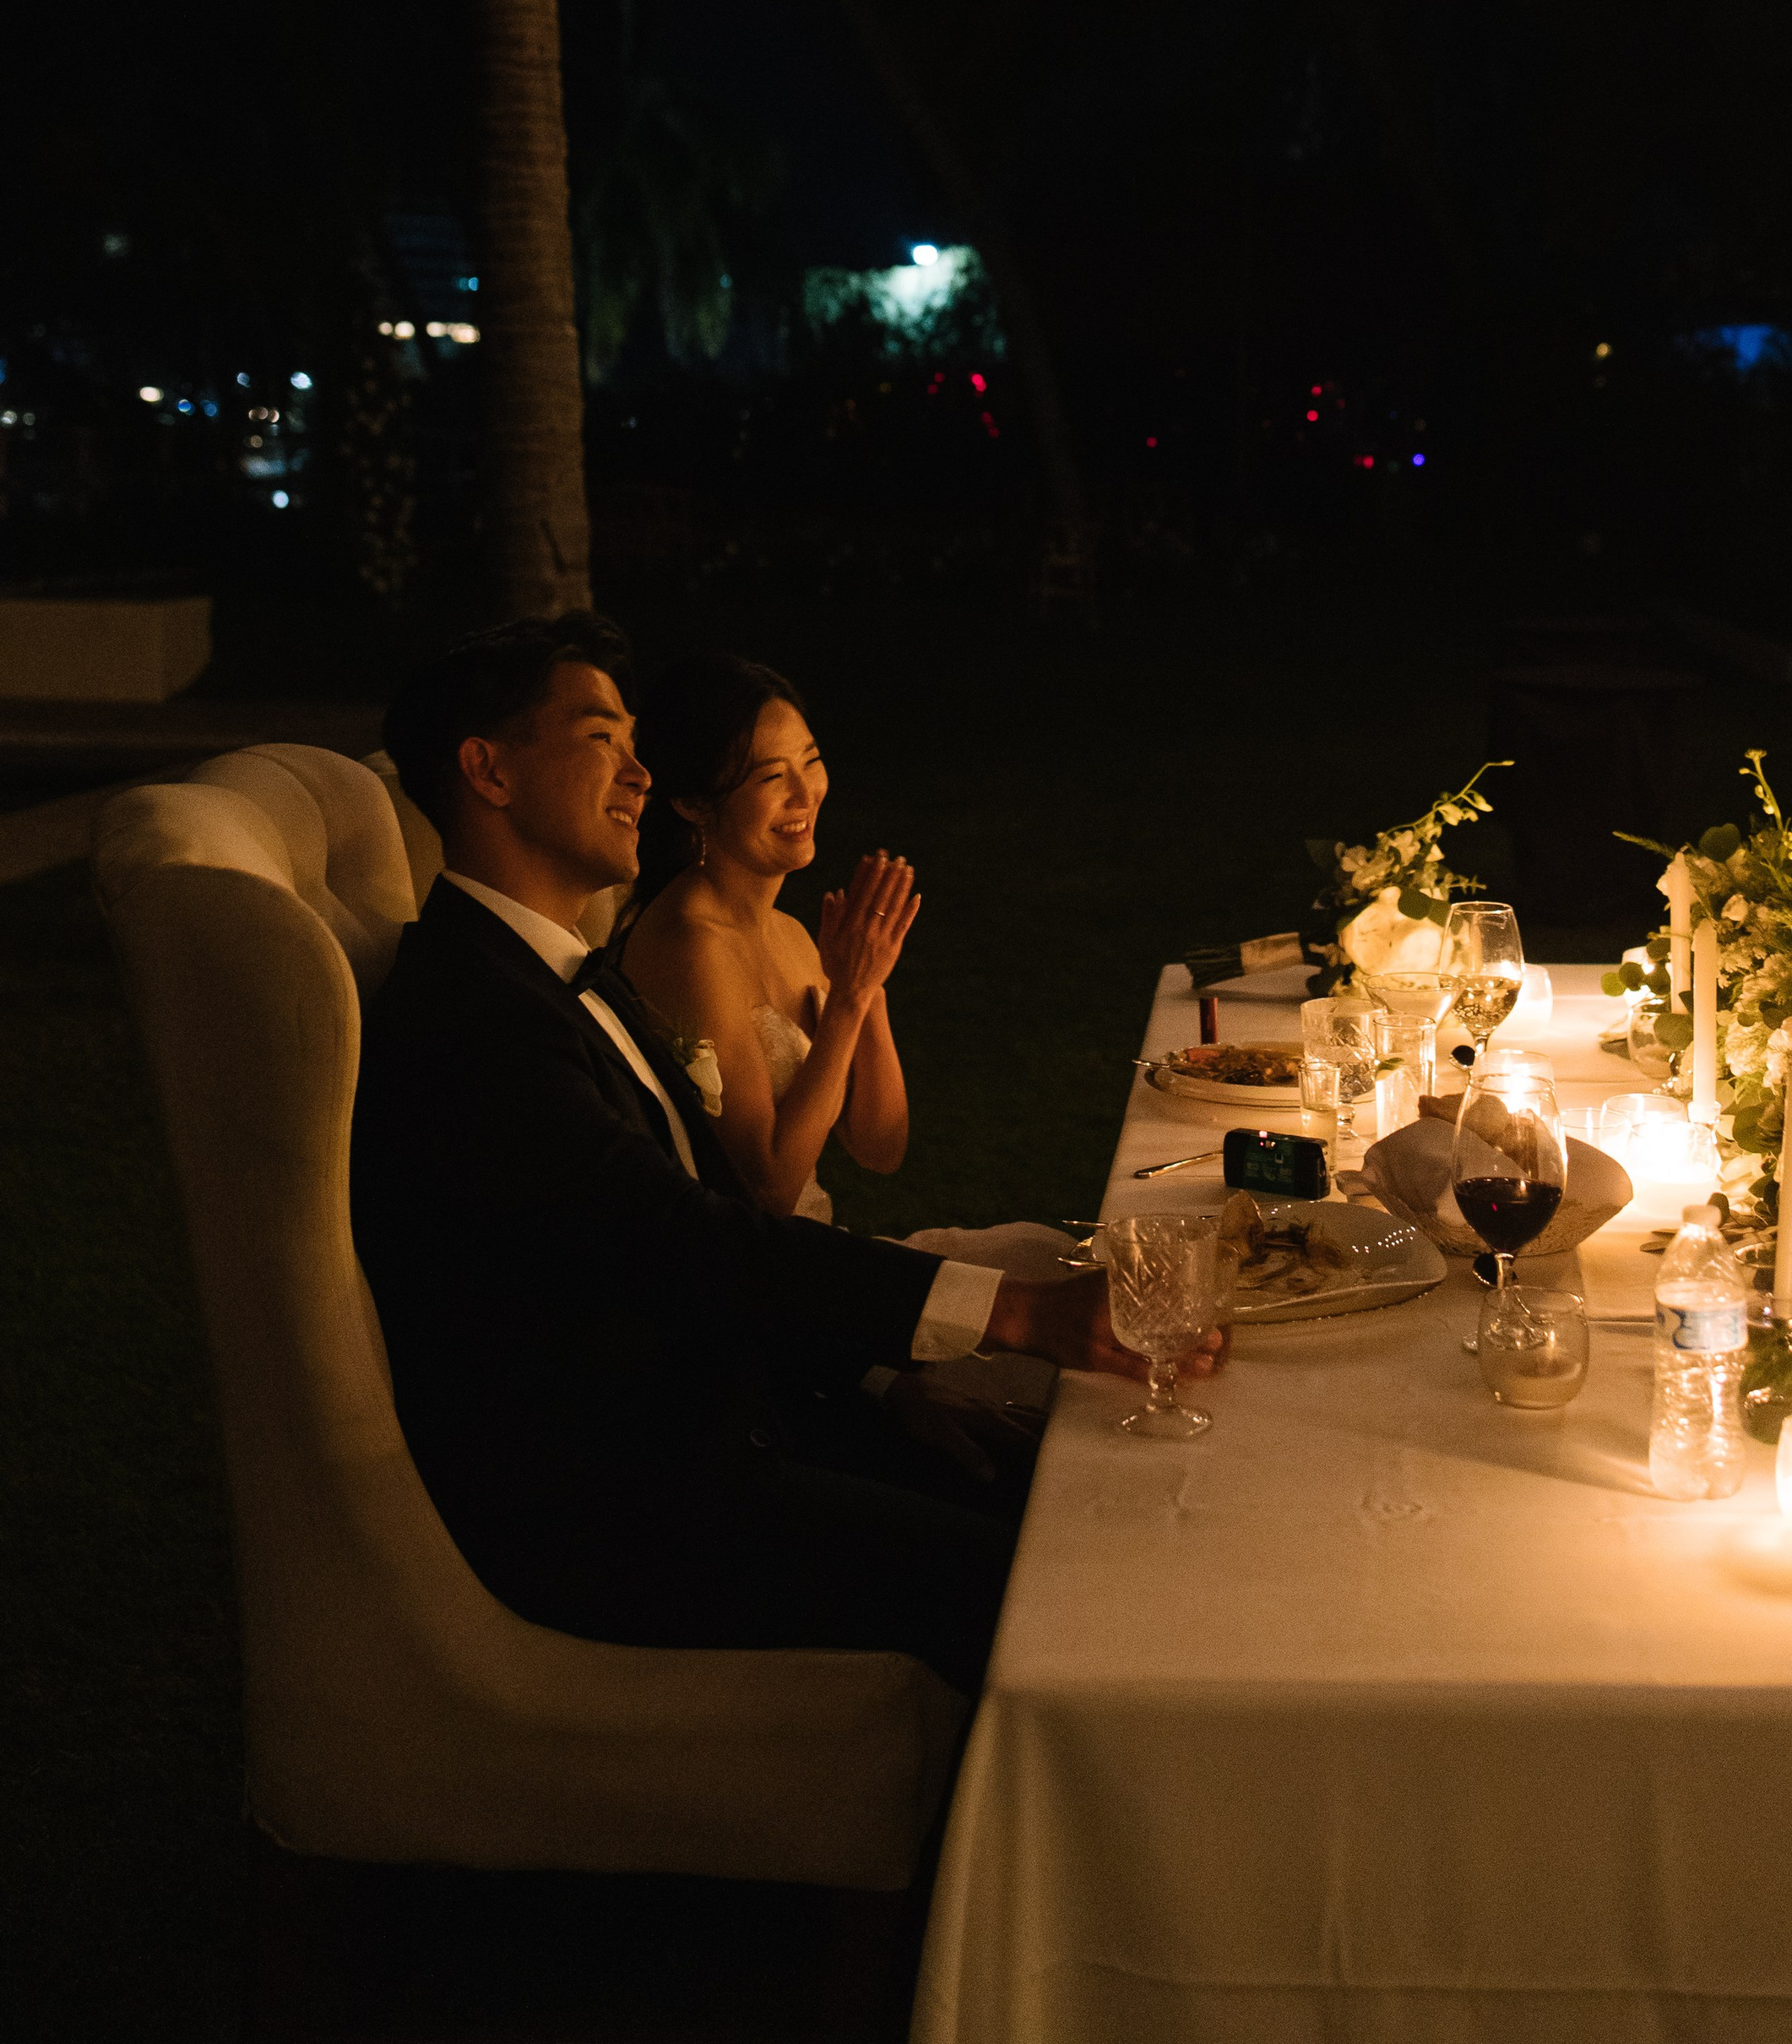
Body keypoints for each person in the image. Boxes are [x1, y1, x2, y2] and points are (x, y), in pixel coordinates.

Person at [350, 616, 1218, 1694]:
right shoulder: (471, 1014)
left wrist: (874, 1376)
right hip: (626, 1502)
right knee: (1049, 1581)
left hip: (746, 1405)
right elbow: (679, 1234)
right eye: (600, 739)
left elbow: (721, 1222)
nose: (639, 770)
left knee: (1077, 1498)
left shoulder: (554, 973)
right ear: (487, 769)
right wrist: (1020, 1316)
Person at [613, 657, 907, 1224]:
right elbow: (766, 1192)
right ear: (693, 803)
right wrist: (845, 999)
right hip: (743, 1275)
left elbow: (881, 1149)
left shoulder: (791, 934)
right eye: (772, 777)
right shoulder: (688, 944)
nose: (805, 793)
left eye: (811, 760)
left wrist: (869, 989)